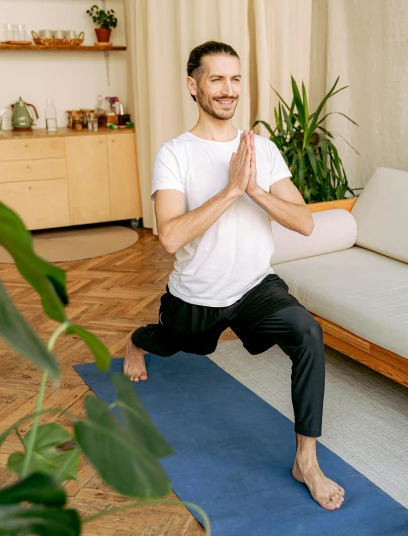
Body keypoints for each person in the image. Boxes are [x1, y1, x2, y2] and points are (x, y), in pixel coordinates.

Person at [124, 40, 344, 511]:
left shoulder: (260, 150)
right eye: (217, 78)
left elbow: (304, 222)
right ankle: (137, 341)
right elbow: (169, 237)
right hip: (197, 293)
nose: (228, 90)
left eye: (236, 78)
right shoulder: (174, 155)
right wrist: (229, 191)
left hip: (254, 287)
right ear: (193, 85)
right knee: (172, 342)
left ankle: (306, 458)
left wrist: (254, 191)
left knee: (307, 333)